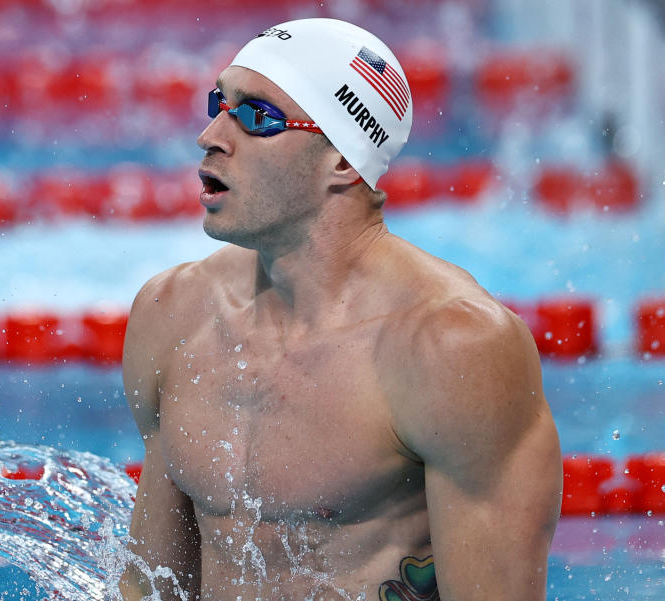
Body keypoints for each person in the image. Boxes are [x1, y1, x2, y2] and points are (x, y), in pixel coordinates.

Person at [119, 18, 562, 601]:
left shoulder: (448, 347)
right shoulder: (172, 313)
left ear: (344, 162)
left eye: (258, 117)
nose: (211, 134)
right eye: (219, 103)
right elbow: (151, 588)